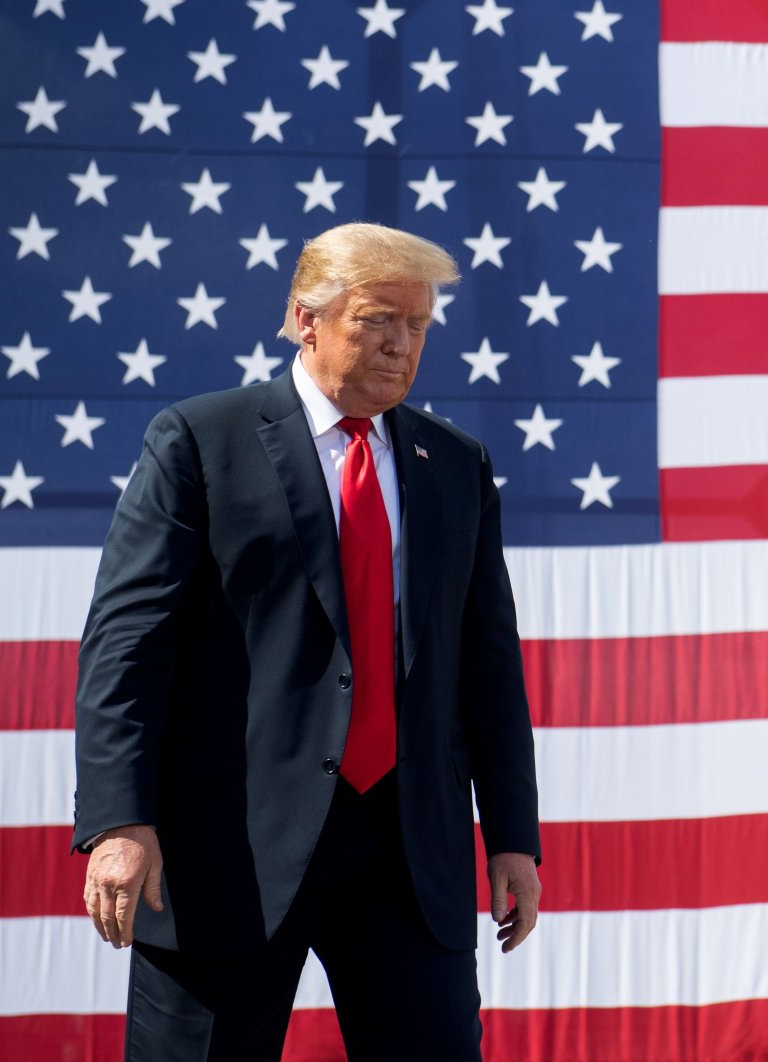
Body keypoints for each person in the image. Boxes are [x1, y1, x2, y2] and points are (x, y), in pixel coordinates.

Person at [72, 222, 541, 1061]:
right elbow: (126, 644)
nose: (401, 346)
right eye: (377, 320)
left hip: (408, 852)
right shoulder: (200, 442)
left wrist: (512, 834)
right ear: (306, 317)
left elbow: (487, 665)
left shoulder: (455, 464)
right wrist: (119, 821)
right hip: (230, 849)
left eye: (418, 325)